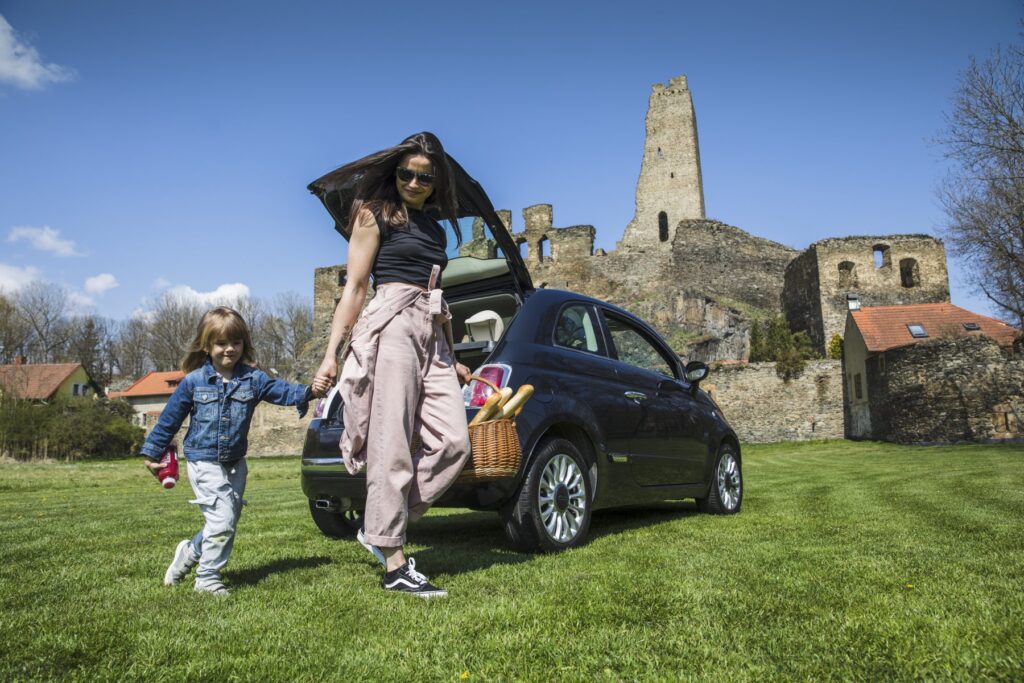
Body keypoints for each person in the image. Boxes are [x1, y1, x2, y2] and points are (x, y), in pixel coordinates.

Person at [312, 132, 473, 599]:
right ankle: (394, 560)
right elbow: (356, 287)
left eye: (425, 177)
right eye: (407, 173)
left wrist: (453, 357)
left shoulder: (436, 229)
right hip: (393, 324)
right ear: (395, 173)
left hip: (432, 330)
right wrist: (332, 352)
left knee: (454, 443)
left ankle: (380, 525)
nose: (415, 182)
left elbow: (438, 296)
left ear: (437, 182)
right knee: (392, 443)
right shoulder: (374, 213)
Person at [140, 307, 330, 595]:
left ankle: (190, 552)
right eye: (221, 343)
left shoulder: (254, 379)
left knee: (225, 520)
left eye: (236, 342)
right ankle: (207, 579)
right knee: (223, 520)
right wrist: (152, 454)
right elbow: (169, 420)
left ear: (244, 344)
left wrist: (311, 391)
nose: (229, 349)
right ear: (206, 345)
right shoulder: (194, 382)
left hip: (235, 463)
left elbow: (282, 391)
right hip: (203, 460)